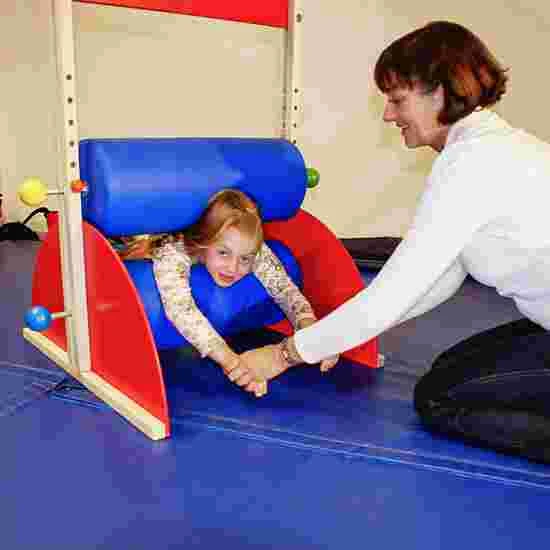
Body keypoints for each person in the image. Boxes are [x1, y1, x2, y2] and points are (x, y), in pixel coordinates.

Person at [239, 21, 550, 462]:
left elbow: (392, 295)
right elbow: (435, 280)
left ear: (439, 94)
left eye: (398, 99)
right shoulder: (486, 149)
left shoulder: (473, 163)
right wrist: (331, 337)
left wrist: (283, 355)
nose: (388, 114)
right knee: (449, 373)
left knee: (440, 399)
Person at [119, 189, 339, 397]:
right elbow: (181, 310)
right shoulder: (175, 251)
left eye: (245, 259)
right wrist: (234, 364)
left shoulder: (251, 247)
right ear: (205, 242)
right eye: (223, 253)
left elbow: (285, 289)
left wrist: (309, 327)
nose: (233, 268)